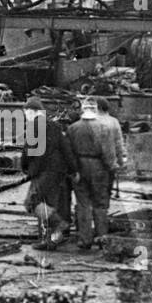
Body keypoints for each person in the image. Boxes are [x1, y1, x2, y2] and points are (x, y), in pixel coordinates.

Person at [22, 97, 76, 249]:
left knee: (32, 203)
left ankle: (60, 224)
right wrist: (73, 170)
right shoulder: (54, 125)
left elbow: (28, 152)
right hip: (58, 172)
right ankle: (50, 241)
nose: (26, 115)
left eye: (26, 112)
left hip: (43, 172)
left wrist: (25, 167)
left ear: (32, 111)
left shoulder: (34, 126)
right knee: (49, 205)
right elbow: (65, 149)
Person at [65, 98, 118, 250]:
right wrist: (112, 167)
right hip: (99, 167)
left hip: (80, 167)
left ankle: (85, 239)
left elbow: (69, 153)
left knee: (83, 204)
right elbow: (108, 153)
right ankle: (102, 238)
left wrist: (73, 171)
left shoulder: (73, 128)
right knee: (100, 204)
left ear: (83, 110)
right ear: (95, 110)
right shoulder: (104, 127)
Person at [94, 97, 128, 191]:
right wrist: (120, 161)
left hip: (92, 161)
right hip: (109, 162)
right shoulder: (114, 121)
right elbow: (119, 143)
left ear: (97, 107)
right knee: (106, 191)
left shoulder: (90, 121)